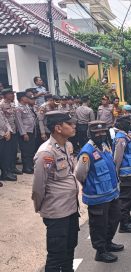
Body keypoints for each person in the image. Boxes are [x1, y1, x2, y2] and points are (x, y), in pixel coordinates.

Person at [32, 111, 79, 271]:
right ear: (58, 128)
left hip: (72, 208)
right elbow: (38, 186)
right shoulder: (46, 153)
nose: (74, 126)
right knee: (55, 255)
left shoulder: (68, 145)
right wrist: (42, 208)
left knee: (70, 248)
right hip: (56, 212)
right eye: (70, 124)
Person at [75, 120, 123, 263]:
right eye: (97, 133)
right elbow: (80, 174)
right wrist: (90, 185)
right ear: (91, 134)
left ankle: (108, 243)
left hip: (111, 193)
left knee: (114, 219)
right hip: (97, 196)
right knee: (99, 225)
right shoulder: (86, 152)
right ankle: (100, 251)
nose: (101, 135)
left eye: (103, 132)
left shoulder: (105, 145)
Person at [112, 116, 131, 233]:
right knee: (125, 199)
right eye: (128, 123)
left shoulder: (124, 136)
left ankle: (127, 217)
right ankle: (123, 224)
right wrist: (116, 173)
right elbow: (117, 158)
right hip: (125, 173)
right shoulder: (121, 139)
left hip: (130, 172)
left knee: (129, 197)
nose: (130, 125)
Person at [0, 88, 21, 177]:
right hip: (4, 133)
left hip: (12, 130)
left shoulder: (11, 104)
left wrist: (10, 130)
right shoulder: (2, 104)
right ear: (5, 95)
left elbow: (6, 120)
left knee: (13, 151)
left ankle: (12, 168)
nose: (13, 95)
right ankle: (6, 171)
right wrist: (5, 132)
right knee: (6, 153)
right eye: (11, 93)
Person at [15, 92, 36, 174]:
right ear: (22, 98)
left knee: (31, 150)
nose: (28, 98)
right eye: (26, 97)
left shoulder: (26, 106)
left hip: (31, 130)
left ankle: (30, 166)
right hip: (25, 132)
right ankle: (26, 167)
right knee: (25, 150)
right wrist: (23, 133)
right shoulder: (18, 108)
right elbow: (19, 122)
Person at [0, 107, 12, 183]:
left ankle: (4, 174)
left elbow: (6, 121)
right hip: (2, 135)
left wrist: (9, 131)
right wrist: (3, 134)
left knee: (4, 156)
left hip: (3, 137)